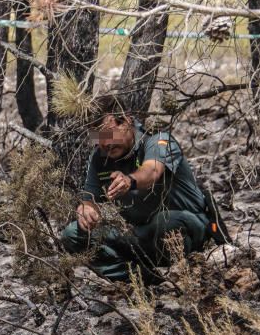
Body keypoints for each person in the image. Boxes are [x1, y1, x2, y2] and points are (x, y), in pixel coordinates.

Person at [61, 94, 212, 283]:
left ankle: (178, 271)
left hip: (183, 227)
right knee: (72, 234)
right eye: (99, 138)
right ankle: (138, 277)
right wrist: (86, 209)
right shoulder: (100, 157)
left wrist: (130, 181)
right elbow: (89, 198)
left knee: (164, 221)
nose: (106, 143)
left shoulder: (159, 140)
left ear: (126, 121)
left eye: (110, 133)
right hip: (139, 234)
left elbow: (152, 170)